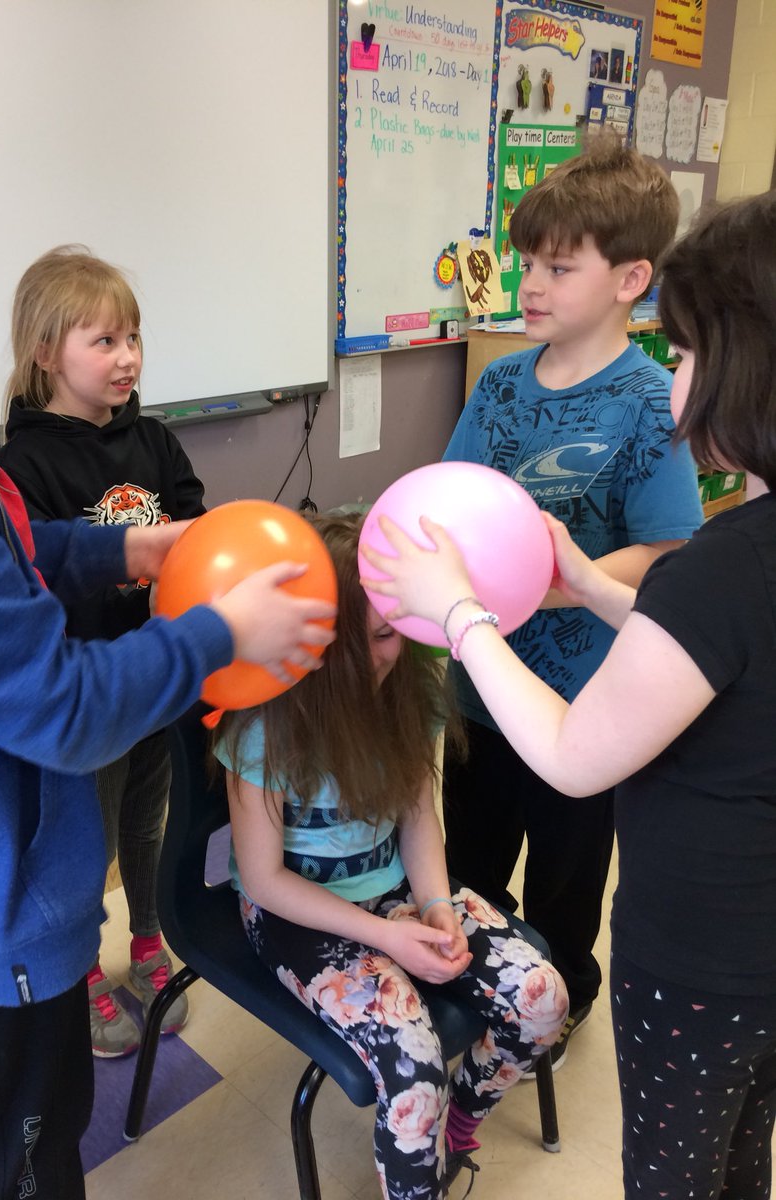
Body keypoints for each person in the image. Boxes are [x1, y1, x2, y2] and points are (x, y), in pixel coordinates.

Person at [0, 85, 335, 1200]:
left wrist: (125, 554)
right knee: (16, 1163)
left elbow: (9, 545)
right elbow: (60, 705)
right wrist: (222, 629)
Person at [361, 190, 776, 1200]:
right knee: (738, 1154)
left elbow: (578, 753)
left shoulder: (720, 568)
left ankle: (553, 997)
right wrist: (584, 581)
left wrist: (463, 614)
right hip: (748, 945)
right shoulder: (733, 571)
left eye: (688, 354)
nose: (678, 376)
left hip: (700, 957)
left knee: (677, 1170)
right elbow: (708, 646)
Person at [439, 134, 703, 1070]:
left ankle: (559, 1000)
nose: (532, 284)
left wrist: (575, 580)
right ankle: (476, 986)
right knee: (466, 867)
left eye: (559, 265)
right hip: (481, 688)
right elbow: (454, 499)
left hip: (585, 701)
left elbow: (671, 548)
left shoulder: (644, 400)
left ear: (632, 278)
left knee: (563, 880)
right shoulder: (502, 381)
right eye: (528, 263)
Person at [214, 512, 569, 1200]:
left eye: (403, 628)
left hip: (395, 890)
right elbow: (262, 878)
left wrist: (437, 905)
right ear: (330, 643)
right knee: (412, 1071)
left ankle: (459, 1129)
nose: (398, 649)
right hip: (297, 913)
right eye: (380, 636)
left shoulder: (409, 686)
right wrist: (386, 938)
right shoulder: (266, 722)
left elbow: (416, 818)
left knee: (542, 1000)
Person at [0, 246, 203, 1057]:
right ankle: (81, 970)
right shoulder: (24, 463)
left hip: (155, 676)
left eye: (133, 339)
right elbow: (42, 581)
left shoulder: (153, 440)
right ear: (48, 353)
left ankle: (148, 943)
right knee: (88, 838)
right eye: (104, 341)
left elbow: (193, 524)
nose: (127, 358)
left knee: (147, 821)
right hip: (88, 696)